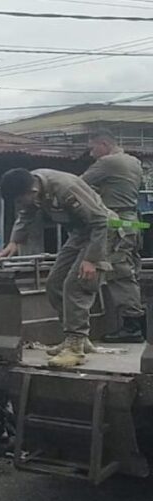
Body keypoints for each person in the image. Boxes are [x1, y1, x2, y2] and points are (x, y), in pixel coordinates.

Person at [0, 168, 112, 367]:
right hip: (79, 234)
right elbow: (26, 214)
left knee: (75, 285)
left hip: (102, 234)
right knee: (55, 283)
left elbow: (101, 221)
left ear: (30, 191)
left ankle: (75, 346)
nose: (21, 205)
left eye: (20, 200)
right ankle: (76, 338)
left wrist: (91, 259)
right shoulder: (33, 186)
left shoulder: (66, 189)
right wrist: (15, 242)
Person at [82, 129, 146, 343]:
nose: (91, 154)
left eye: (93, 148)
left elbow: (78, 185)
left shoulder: (108, 162)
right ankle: (136, 323)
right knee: (129, 271)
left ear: (104, 145)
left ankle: (132, 326)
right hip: (131, 223)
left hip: (116, 224)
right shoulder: (134, 162)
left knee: (120, 273)